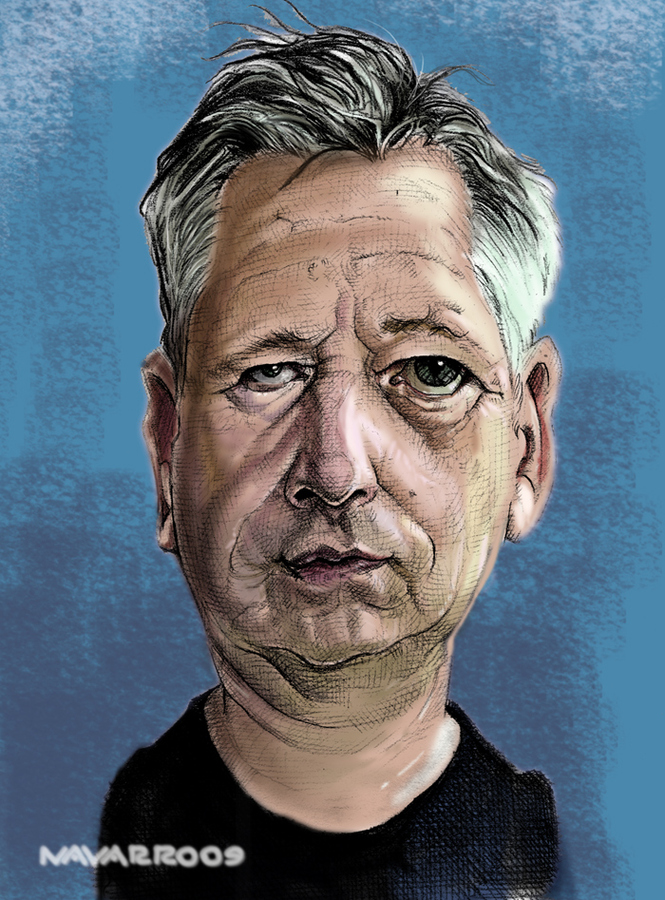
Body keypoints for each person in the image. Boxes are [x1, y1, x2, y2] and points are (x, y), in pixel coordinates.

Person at [98, 18, 562, 900]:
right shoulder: (78, 844)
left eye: (430, 372)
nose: (337, 470)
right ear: (167, 444)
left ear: (525, 446)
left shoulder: (573, 858)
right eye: (268, 373)